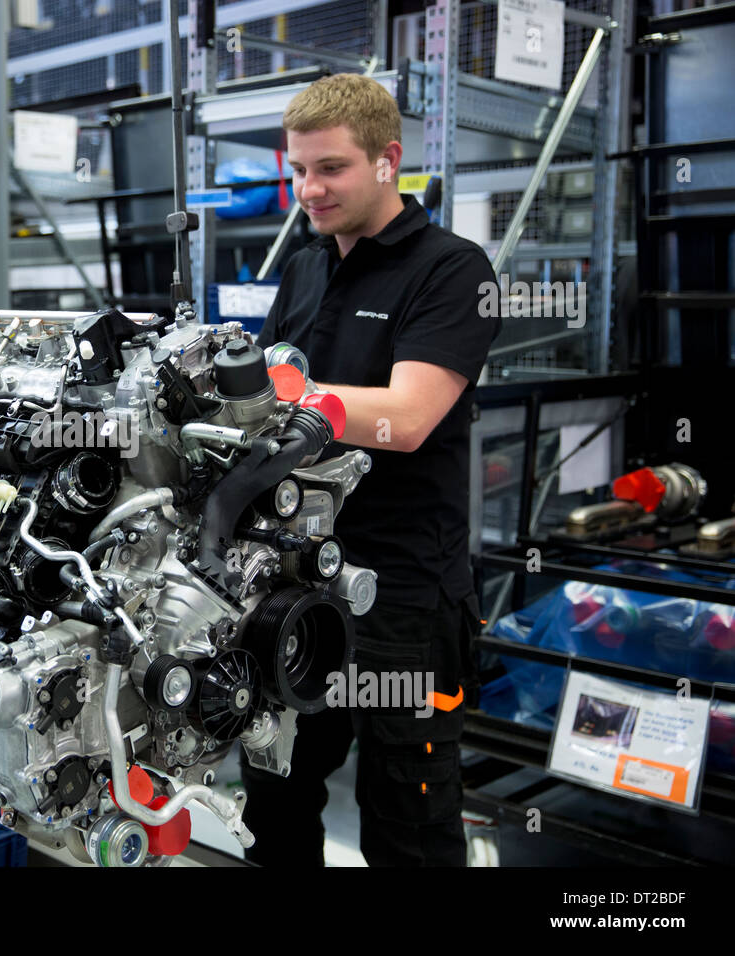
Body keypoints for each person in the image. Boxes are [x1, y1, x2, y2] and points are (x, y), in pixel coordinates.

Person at [243, 73, 502, 866]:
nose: (309, 190)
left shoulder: (453, 270)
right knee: (276, 795)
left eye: (331, 169)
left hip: (403, 599)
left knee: (409, 817)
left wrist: (276, 392)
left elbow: (410, 415)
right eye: (298, 171)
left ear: (389, 161)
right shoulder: (305, 267)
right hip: (294, 580)